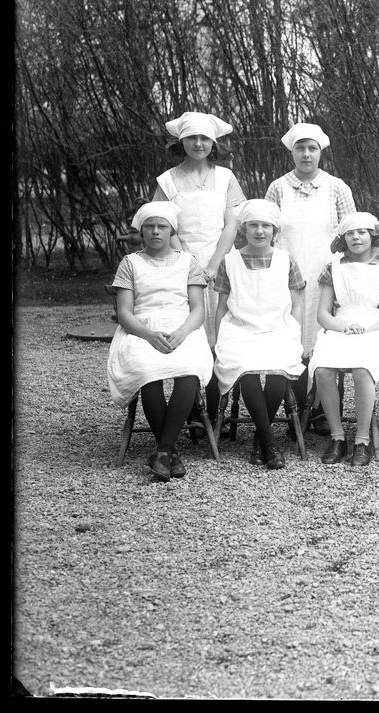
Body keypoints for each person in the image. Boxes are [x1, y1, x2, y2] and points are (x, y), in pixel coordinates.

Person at [106, 201, 213, 482]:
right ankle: (169, 453)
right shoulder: (130, 263)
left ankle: (163, 451)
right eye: (150, 226)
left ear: (171, 230)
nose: (156, 231)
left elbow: (198, 310)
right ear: (141, 231)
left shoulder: (188, 261)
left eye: (162, 226)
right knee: (147, 370)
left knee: (189, 368)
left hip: (182, 327)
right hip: (141, 329)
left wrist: (182, 332)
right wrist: (149, 335)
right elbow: (124, 313)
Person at [151, 111, 246, 414]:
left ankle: (217, 408)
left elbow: (232, 225)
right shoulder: (167, 180)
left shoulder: (226, 178)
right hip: (180, 265)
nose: (198, 143)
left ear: (213, 143)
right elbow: (163, 224)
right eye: (192, 137)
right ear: (181, 142)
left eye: (204, 138)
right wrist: (188, 265)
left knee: (222, 331)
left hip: (222, 264)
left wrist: (215, 264)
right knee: (191, 332)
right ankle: (192, 407)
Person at [264, 122, 357, 426]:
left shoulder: (337, 187)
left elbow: (352, 234)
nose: (306, 154)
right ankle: (294, 414)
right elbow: (267, 233)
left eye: (312, 148)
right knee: (291, 341)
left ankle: (321, 413)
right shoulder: (278, 188)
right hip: (287, 277)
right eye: (300, 148)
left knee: (324, 341)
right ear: (292, 152)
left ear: (321, 152)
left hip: (326, 278)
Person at [212, 200, 306, 470]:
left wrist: (295, 335)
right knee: (246, 369)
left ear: (275, 230)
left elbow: (296, 305)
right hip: (239, 331)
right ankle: (269, 443)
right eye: (253, 225)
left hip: (278, 330)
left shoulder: (286, 260)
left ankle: (260, 439)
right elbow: (221, 307)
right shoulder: (229, 261)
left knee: (279, 370)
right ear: (244, 229)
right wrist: (218, 340)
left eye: (266, 225)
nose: (260, 231)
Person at [308, 212, 379, 468]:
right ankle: (337, 437)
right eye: (350, 233)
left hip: (376, 328)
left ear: (373, 237)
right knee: (323, 369)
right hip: (340, 327)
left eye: (361, 233)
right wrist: (343, 326)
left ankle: (362, 440)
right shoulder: (333, 267)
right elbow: (323, 314)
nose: (356, 238)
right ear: (343, 239)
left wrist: (368, 330)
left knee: (362, 369)